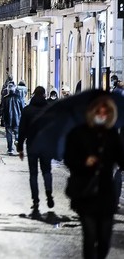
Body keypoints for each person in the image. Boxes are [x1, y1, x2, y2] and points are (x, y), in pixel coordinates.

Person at [63, 95, 124, 259]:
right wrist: (84, 162)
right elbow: (69, 159)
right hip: (85, 192)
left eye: (106, 111)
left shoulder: (112, 135)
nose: (102, 114)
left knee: (104, 239)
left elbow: (121, 159)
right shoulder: (78, 133)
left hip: (105, 194)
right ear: (91, 112)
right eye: (99, 111)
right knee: (89, 237)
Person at [16, 86, 53, 212]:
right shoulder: (49, 109)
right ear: (44, 94)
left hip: (32, 145)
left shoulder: (27, 110)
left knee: (33, 173)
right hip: (46, 144)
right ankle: (48, 192)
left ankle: (35, 200)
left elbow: (22, 130)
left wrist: (20, 147)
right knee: (47, 170)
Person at [0, 81, 23, 155]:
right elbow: (22, 109)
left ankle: (10, 149)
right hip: (17, 119)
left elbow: (1, 109)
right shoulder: (19, 98)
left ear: (8, 90)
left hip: (7, 119)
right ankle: (17, 141)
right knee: (17, 132)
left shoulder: (5, 99)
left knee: (9, 134)